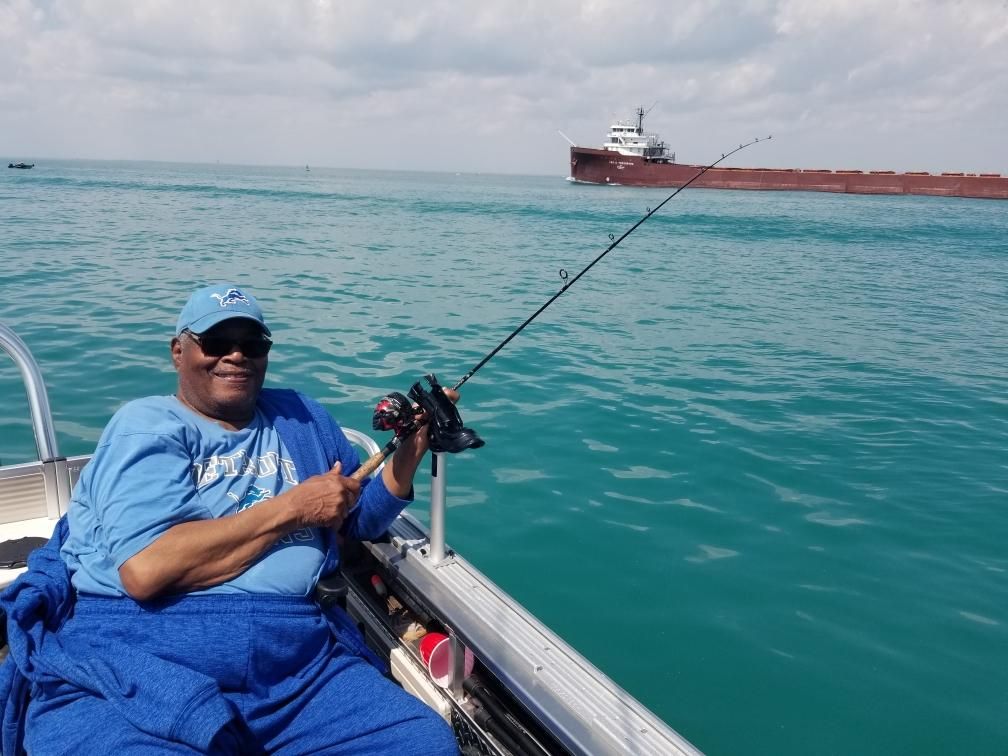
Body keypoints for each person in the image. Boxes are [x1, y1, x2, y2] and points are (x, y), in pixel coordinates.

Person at [12, 284, 460, 754]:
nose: (236, 355)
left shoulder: (300, 417)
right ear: (178, 351)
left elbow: (356, 520)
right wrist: (295, 508)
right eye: (216, 342)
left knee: (423, 741)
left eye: (252, 344)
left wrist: (409, 452)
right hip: (147, 656)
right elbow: (148, 570)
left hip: (295, 668)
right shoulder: (147, 425)